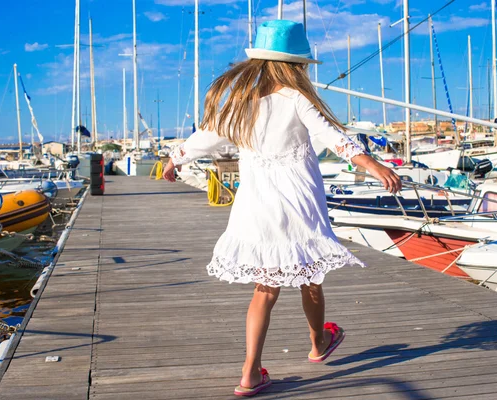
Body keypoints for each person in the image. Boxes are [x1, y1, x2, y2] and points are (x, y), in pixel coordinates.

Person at [163, 19, 402, 397]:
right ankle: (319, 343)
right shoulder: (296, 98)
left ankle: (249, 372)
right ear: (295, 66)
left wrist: (173, 160)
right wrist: (371, 164)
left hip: (256, 207)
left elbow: (202, 140)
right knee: (310, 276)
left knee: (266, 288)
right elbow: (330, 135)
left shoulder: (241, 106)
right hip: (297, 204)